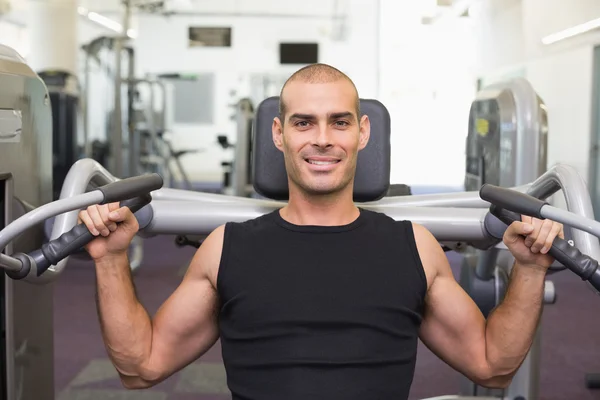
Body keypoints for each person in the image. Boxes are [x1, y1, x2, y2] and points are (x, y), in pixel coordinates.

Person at [79, 63, 563, 400]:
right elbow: (140, 367)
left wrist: (530, 268)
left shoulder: (412, 246)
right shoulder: (228, 248)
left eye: (340, 122)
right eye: (304, 122)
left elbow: (492, 366)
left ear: (363, 133)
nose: (323, 139)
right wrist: (109, 259)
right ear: (278, 134)